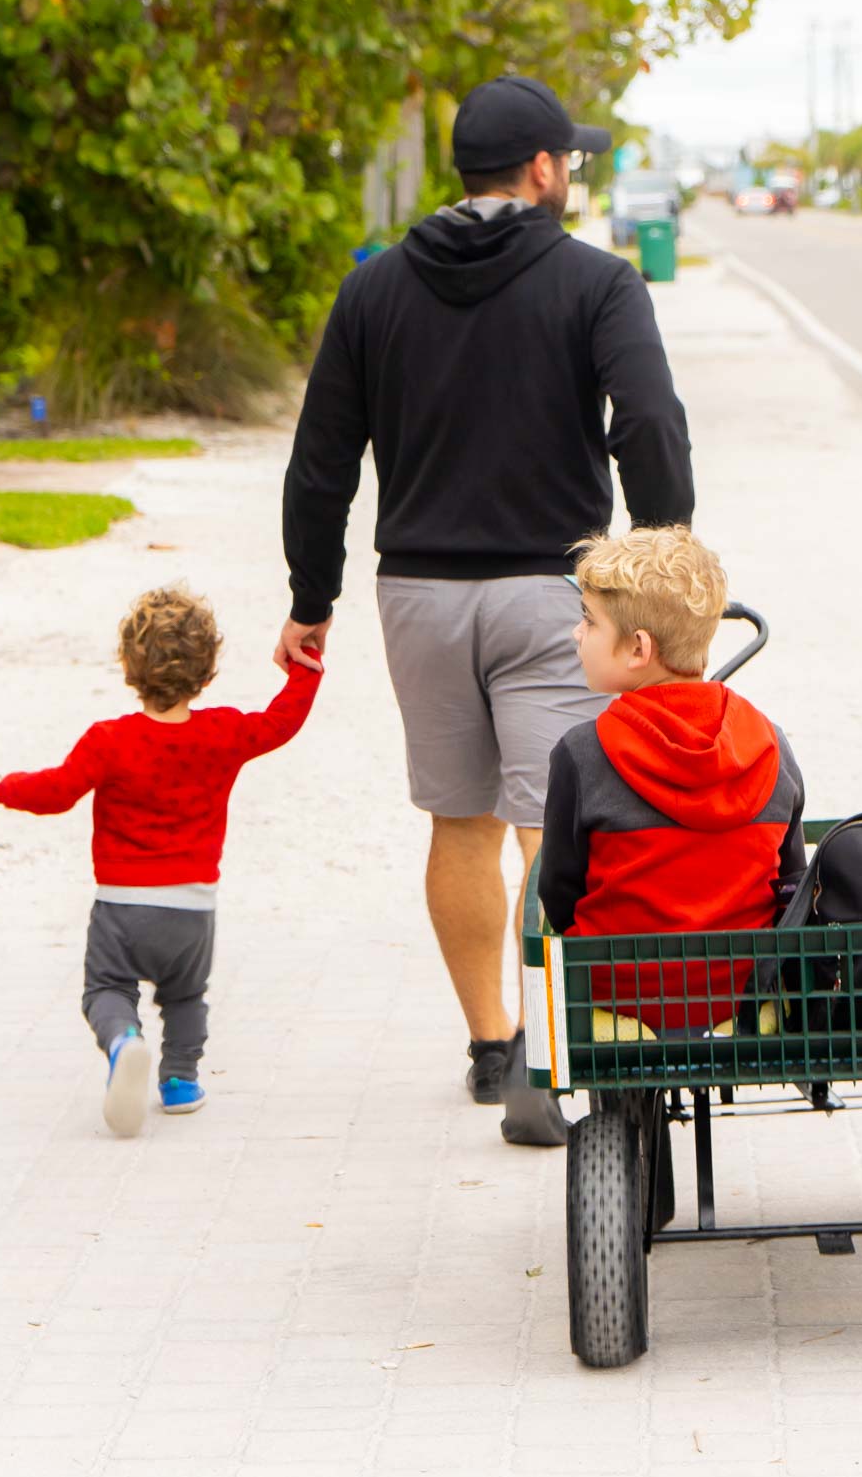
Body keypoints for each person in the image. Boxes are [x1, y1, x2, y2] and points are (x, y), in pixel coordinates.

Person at [278, 75, 694, 1145]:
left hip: (415, 592)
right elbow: (648, 420)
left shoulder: (372, 292)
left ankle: (489, 1043)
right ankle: (550, 1054)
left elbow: (321, 461)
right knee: (551, 826)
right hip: (553, 595)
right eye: (573, 162)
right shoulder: (597, 284)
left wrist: (309, 596)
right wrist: (660, 551)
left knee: (457, 821)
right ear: (545, 170)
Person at [0, 586, 322, 1137]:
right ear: (207, 672)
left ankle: (124, 1042)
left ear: (129, 667)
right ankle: (181, 1081)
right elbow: (281, 721)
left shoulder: (109, 740)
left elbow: (58, 791)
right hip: (191, 910)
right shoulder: (224, 733)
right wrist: (307, 668)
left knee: (107, 991)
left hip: (122, 907)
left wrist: (6, 788)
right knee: (185, 995)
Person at [539, 528, 805, 1036]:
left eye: (589, 620)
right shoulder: (770, 743)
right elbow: (790, 882)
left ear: (638, 648)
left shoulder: (583, 753)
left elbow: (559, 893)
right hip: (745, 1003)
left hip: (622, 1004)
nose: (577, 633)